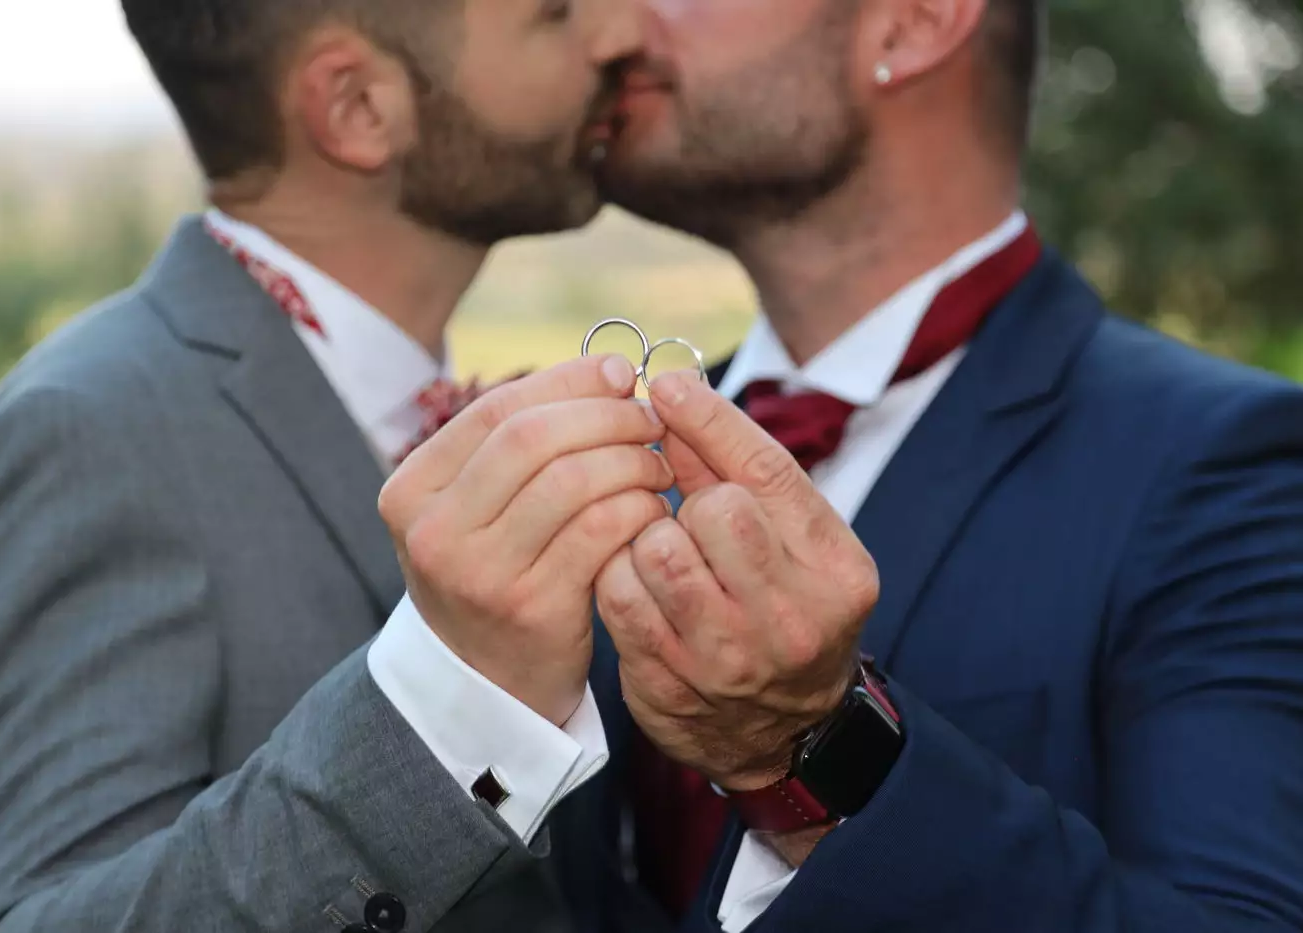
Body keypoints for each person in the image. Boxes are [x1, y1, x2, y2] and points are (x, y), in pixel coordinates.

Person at [550, 0, 1303, 929]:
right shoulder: (612, 449)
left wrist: (814, 755)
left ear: (912, 22)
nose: (615, 26)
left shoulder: (1225, 464)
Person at [0, 1, 663, 931]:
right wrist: (451, 708)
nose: (617, 33)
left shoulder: (450, 407)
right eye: (553, 13)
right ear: (356, 106)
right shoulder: (90, 431)